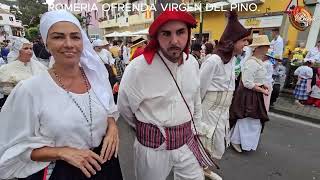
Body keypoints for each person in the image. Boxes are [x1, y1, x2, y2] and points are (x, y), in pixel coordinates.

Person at [0, 10, 122, 179]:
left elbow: (109, 110)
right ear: (46, 43)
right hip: (62, 171)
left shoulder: (96, 77)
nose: (69, 44)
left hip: (105, 165)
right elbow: (14, 148)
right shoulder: (30, 90)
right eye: (58, 37)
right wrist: (62, 152)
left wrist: (113, 127)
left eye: (75, 37)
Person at [118, 9, 209, 180]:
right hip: (152, 149)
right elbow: (124, 108)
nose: (174, 41)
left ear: (189, 34)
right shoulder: (138, 69)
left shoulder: (193, 64)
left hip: (187, 143)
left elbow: (195, 100)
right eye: (166, 34)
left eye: (180, 32)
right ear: (157, 37)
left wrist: (197, 131)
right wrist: (149, 130)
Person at [198, 10, 251, 180]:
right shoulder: (214, 60)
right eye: (243, 40)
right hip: (208, 110)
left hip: (222, 111)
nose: (245, 44)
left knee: (217, 144)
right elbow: (199, 89)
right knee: (204, 142)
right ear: (232, 41)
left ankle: (204, 169)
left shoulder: (233, 59)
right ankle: (195, 172)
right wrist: (195, 116)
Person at [229, 35, 271, 153]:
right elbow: (247, 83)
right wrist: (262, 90)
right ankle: (235, 140)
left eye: (267, 46)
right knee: (246, 118)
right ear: (257, 48)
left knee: (253, 120)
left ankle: (244, 142)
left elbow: (257, 79)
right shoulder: (251, 62)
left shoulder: (258, 61)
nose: (267, 48)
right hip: (248, 95)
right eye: (264, 46)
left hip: (254, 94)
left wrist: (264, 85)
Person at [0, 37, 47, 110]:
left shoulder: (39, 66)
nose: (29, 51)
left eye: (31, 48)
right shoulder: (7, 68)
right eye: (25, 48)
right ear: (18, 51)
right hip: (16, 105)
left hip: (38, 104)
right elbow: (6, 89)